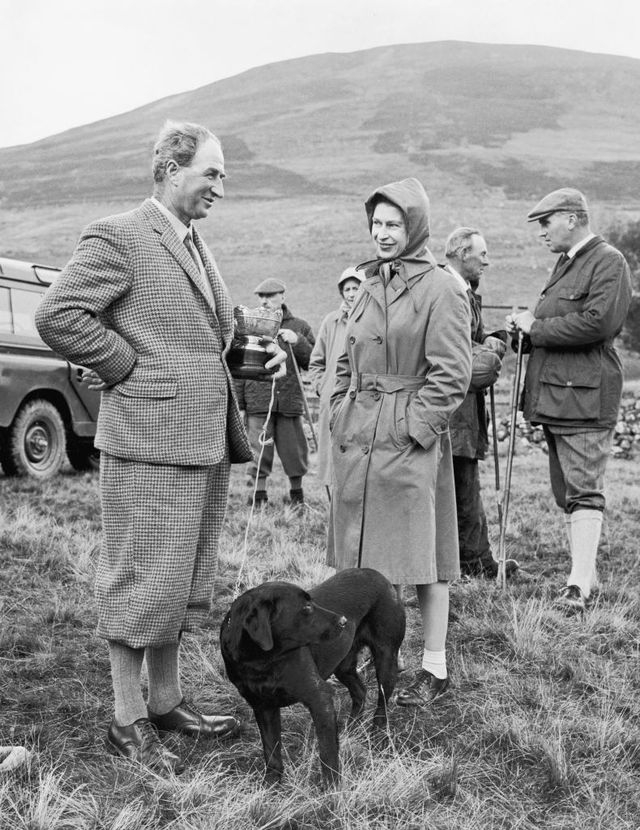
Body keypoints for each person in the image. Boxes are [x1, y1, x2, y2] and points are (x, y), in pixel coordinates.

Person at [34, 120, 286, 774]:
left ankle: (167, 701)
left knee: (176, 580)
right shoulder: (119, 235)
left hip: (199, 442)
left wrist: (256, 347)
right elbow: (58, 314)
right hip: (146, 440)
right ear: (171, 170)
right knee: (138, 578)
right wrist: (125, 366)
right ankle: (126, 719)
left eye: (223, 175)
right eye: (211, 173)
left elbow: (203, 330)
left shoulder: (194, 242)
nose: (220, 187)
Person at [327, 178, 472, 706]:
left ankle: (434, 667)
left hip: (407, 441)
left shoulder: (442, 288)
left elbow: (451, 375)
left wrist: (411, 428)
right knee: (363, 555)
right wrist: (340, 409)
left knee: (424, 555)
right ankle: (367, 655)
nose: (383, 233)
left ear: (416, 227)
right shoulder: (369, 284)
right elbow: (346, 360)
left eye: (394, 224)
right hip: (358, 436)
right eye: (376, 223)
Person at [508, 188, 632, 613]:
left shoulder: (609, 261)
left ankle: (578, 585)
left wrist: (536, 327)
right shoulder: (567, 263)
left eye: (546, 222)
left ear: (573, 218)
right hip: (559, 397)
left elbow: (598, 323)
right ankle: (586, 572)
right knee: (567, 492)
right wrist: (525, 331)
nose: (541, 231)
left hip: (585, 398)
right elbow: (558, 323)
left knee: (583, 491)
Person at [443, 227, 512, 578]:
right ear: (461, 253)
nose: (487, 261)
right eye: (482, 254)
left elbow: (469, 339)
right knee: (461, 485)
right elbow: (448, 346)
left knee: (465, 482)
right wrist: (483, 351)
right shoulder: (447, 290)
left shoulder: (464, 290)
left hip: (464, 406)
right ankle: (473, 562)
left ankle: (476, 559)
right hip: (450, 408)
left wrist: (491, 340)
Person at [235, 278, 315, 506]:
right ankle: (258, 498)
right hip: (257, 400)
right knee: (259, 449)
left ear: (282, 296)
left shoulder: (299, 326)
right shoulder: (249, 326)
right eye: (261, 296)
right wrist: (240, 404)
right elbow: (239, 365)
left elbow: (312, 361)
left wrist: (298, 341)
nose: (265, 300)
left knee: (294, 450)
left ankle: (297, 497)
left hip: (289, 401)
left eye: (270, 295)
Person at [308, 267, 364, 493]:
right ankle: (332, 506)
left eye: (356, 288)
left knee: (356, 456)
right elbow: (316, 362)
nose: (351, 294)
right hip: (332, 400)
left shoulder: (372, 319)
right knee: (332, 456)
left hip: (361, 400)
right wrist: (322, 387)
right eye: (347, 289)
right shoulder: (331, 321)